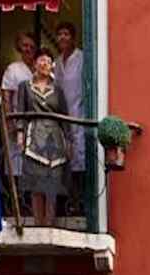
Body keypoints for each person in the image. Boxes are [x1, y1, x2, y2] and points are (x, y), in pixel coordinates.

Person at [15, 49, 70, 227]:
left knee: (52, 181)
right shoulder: (25, 86)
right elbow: (20, 111)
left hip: (55, 137)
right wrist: (20, 133)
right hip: (34, 136)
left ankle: (49, 223)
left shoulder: (58, 90)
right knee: (36, 181)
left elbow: (65, 116)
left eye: (47, 61)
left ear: (52, 65)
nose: (44, 63)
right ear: (35, 64)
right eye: (41, 60)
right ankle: (38, 223)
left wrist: (69, 140)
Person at [53, 22, 85, 186]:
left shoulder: (82, 58)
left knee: (80, 159)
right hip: (62, 118)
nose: (62, 37)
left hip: (79, 115)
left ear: (73, 38)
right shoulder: (57, 62)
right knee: (64, 161)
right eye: (60, 34)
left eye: (66, 34)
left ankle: (80, 196)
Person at [2, 32, 37, 178]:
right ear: (19, 48)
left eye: (31, 46)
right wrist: (10, 121)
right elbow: (6, 97)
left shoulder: (39, 68)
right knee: (17, 164)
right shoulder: (13, 69)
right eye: (25, 45)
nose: (28, 49)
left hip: (37, 124)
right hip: (18, 122)